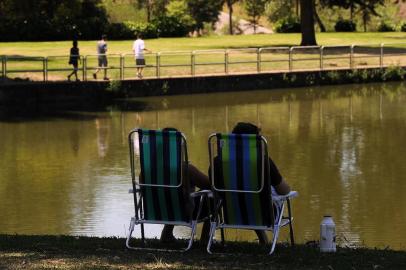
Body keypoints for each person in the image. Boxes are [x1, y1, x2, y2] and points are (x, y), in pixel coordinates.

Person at [215, 122, 291, 244]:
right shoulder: (263, 161)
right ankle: (265, 241)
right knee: (266, 195)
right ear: (253, 142)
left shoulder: (218, 162)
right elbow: (284, 191)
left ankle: (263, 239)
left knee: (244, 194)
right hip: (264, 216)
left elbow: (215, 189)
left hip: (231, 215)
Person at [159, 127, 211, 243]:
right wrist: (189, 183)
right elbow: (211, 185)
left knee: (169, 196)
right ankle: (205, 239)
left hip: (157, 212)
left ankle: (166, 234)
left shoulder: (146, 171)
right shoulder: (186, 169)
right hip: (184, 212)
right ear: (178, 147)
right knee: (213, 196)